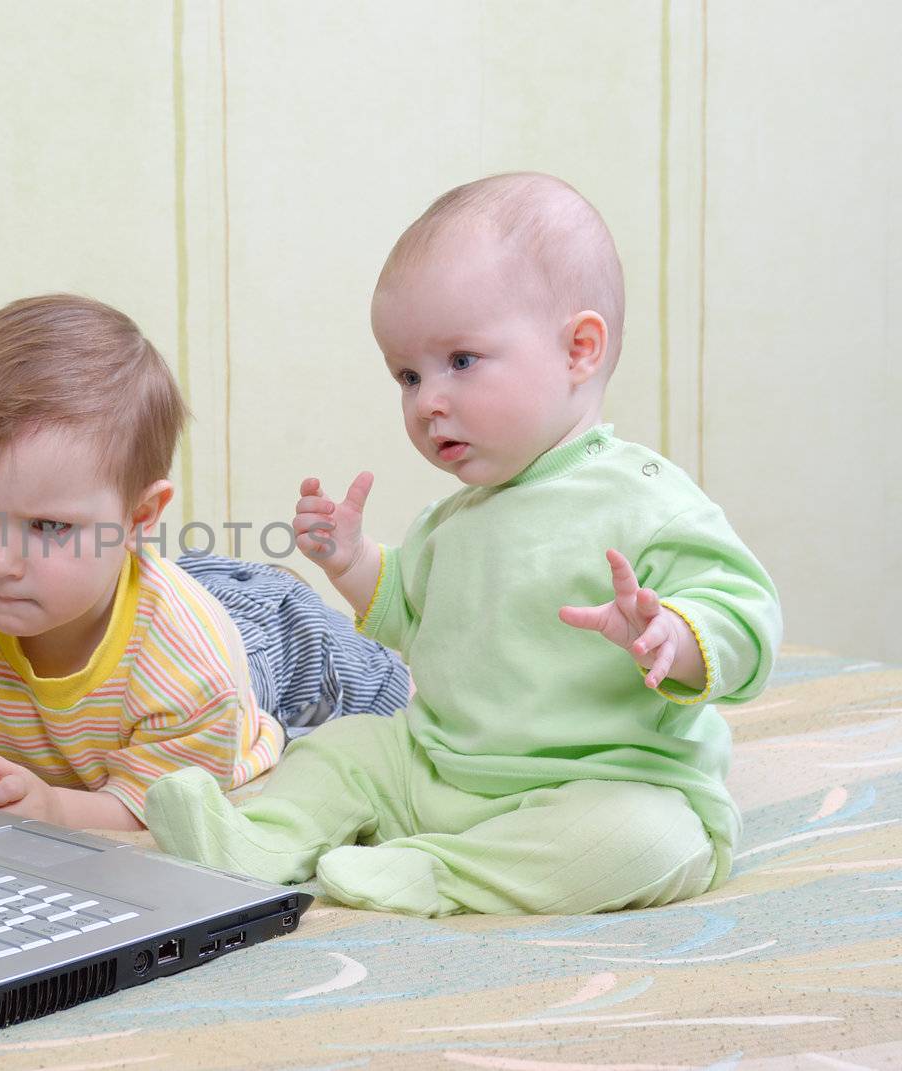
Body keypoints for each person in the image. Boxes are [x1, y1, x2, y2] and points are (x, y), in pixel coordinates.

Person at [144, 173, 783, 915]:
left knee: (649, 840)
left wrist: (678, 634)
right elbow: (413, 618)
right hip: (439, 768)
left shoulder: (646, 498)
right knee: (345, 746)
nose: (427, 402)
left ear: (579, 349)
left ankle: (441, 873)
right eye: (408, 375)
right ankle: (251, 840)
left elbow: (749, 614)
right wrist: (353, 564)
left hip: (601, 780)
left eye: (461, 362)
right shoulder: (455, 518)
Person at [0, 294, 405, 831]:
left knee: (377, 726)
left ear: (140, 516)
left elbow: (162, 805)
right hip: (126, 594)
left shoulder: (189, 664)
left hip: (268, 655)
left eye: (47, 526)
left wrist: (56, 811)